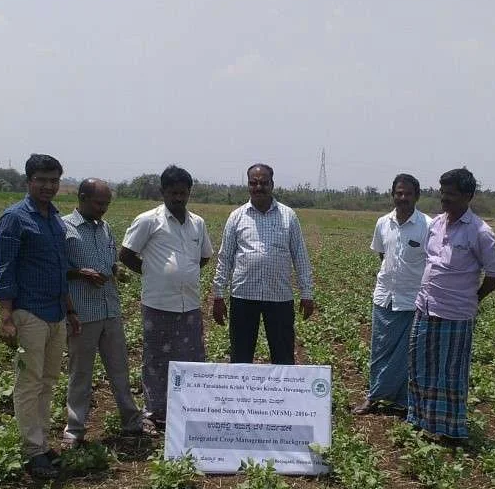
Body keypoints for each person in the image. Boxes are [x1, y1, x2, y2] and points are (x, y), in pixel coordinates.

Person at [0, 154, 80, 479]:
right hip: (29, 312)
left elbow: (59, 271)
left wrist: (70, 309)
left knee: (48, 381)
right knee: (29, 382)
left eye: (53, 180)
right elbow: (5, 269)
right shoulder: (15, 219)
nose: (48, 186)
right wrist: (6, 316)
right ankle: (32, 451)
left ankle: (41, 444)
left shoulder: (55, 221)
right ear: (28, 182)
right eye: (41, 180)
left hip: (55, 312)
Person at [407, 167, 495, 442]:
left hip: (455, 313)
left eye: (450, 194)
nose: (444, 199)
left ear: (468, 196)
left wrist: (476, 297)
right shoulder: (437, 223)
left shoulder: (480, 232)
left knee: (449, 373)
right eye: (442, 193)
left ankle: (448, 430)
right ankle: (422, 419)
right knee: (421, 365)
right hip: (425, 306)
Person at [120, 165, 213, 428]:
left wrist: (185, 274)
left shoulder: (198, 223)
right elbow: (126, 254)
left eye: (183, 193)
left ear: (189, 193)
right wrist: (153, 273)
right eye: (173, 193)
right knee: (157, 359)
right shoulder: (149, 220)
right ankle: (156, 412)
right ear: (163, 192)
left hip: (190, 304)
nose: (178, 198)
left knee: (192, 357)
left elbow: (205, 256)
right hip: (158, 303)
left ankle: (190, 406)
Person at [62, 179, 147, 446]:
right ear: (82, 198)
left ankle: (131, 421)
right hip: (82, 312)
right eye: (99, 203)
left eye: (107, 204)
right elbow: (55, 269)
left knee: (120, 369)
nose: (103, 209)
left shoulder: (105, 228)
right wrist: (80, 273)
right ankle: (74, 430)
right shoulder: (64, 228)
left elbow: (111, 263)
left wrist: (116, 272)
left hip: (110, 309)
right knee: (80, 374)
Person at [211, 163, 314, 364]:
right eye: (253, 183)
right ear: (248, 185)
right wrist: (218, 296)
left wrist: (307, 294)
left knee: (283, 355)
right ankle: (241, 394)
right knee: (241, 356)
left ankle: (283, 394)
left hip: (279, 296)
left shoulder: (288, 216)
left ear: (272, 184)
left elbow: (300, 257)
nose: (259, 187)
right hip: (243, 296)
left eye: (264, 183)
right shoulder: (237, 217)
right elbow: (225, 258)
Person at [353, 173, 431, 415]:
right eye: (399, 193)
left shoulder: (427, 225)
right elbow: (382, 255)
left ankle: (402, 400)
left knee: (406, 354)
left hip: (412, 300)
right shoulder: (382, 223)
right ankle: (374, 396)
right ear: (393, 195)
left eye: (408, 193)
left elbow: (432, 263)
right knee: (379, 350)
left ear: (417, 196)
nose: (403, 198)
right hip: (384, 296)